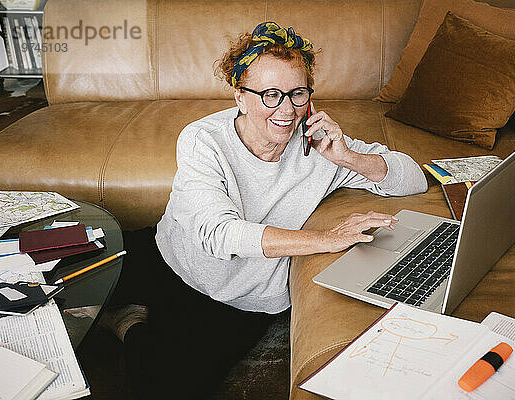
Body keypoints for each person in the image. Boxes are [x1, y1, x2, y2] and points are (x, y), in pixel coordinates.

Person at [102, 21, 427, 398]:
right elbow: (217, 233)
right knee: (50, 276)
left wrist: (349, 157)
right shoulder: (203, 138)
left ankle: (128, 323)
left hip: (237, 302)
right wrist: (326, 239)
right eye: (270, 94)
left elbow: (413, 178)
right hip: (169, 259)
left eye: (297, 93)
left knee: (162, 386)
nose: (286, 110)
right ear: (239, 96)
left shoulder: (320, 145)